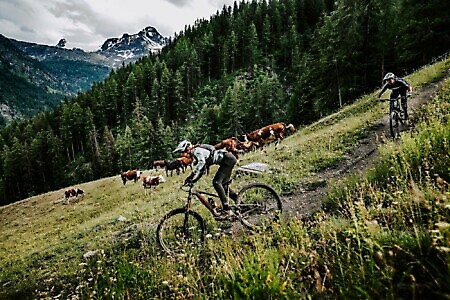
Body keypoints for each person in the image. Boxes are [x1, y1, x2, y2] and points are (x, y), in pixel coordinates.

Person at [173, 140, 238, 218]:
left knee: (216, 183)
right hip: (227, 160)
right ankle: (240, 203)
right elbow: (202, 170)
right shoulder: (197, 153)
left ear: (188, 149)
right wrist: (194, 180)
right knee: (224, 186)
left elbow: (202, 162)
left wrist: (192, 175)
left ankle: (227, 209)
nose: (183, 155)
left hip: (228, 160)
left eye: (183, 152)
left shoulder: (196, 151)